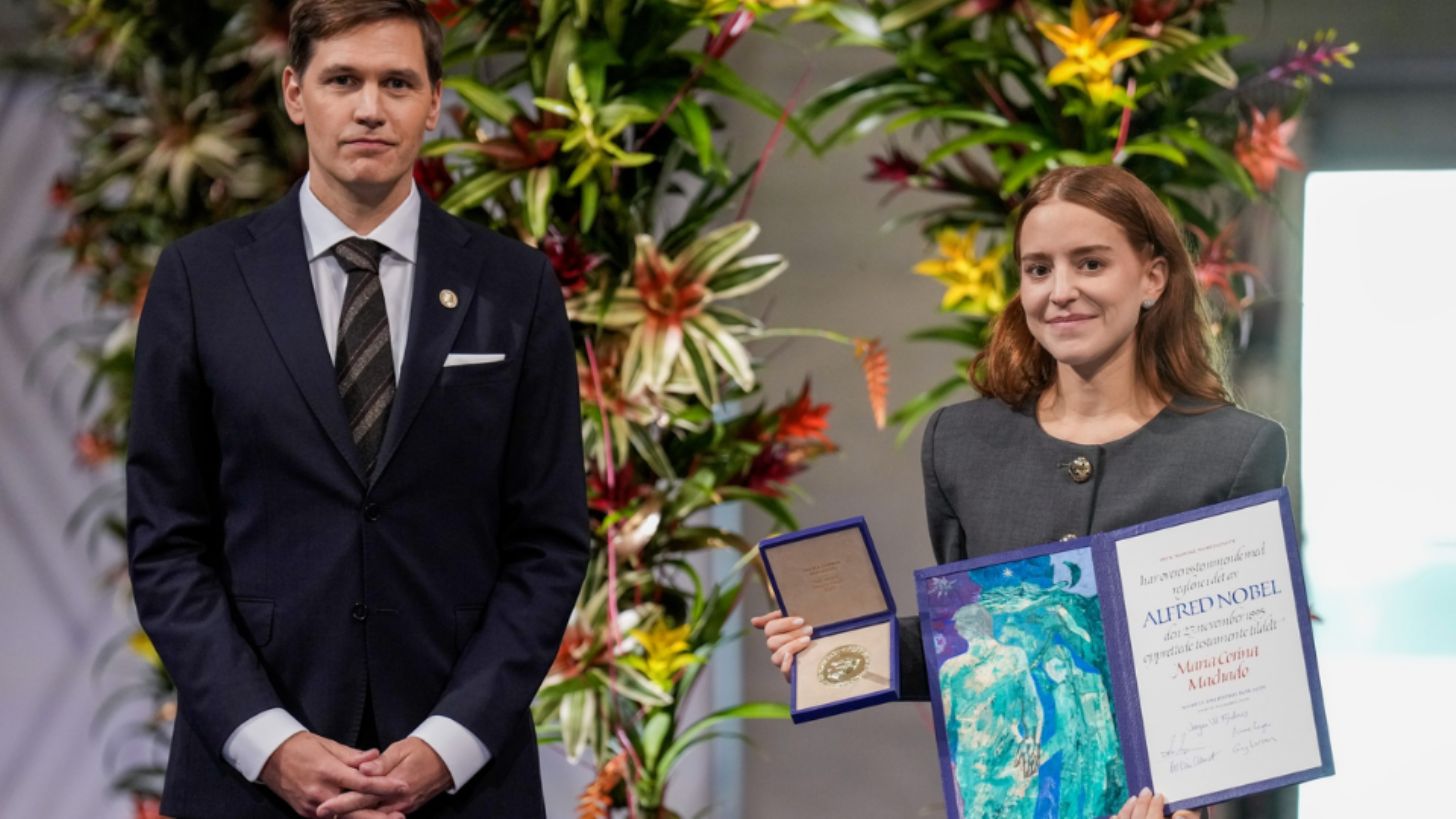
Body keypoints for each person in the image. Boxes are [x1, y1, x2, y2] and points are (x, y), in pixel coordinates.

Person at [126, 2, 588, 818]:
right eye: (343, 80)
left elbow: (548, 544)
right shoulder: (200, 281)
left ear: (434, 102)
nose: (370, 107)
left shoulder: (515, 286)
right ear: (295, 93)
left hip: (462, 781)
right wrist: (271, 743)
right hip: (249, 780)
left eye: (397, 83)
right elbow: (167, 544)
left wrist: (448, 744)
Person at [752, 164, 1286, 819]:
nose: (1060, 291)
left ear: (1153, 277)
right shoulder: (961, 441)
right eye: (1038, 269)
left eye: (1090, 264)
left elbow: (1244, 675)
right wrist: (832, 650)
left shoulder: (1234, 452)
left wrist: (1197, 808)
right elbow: (973, 633)